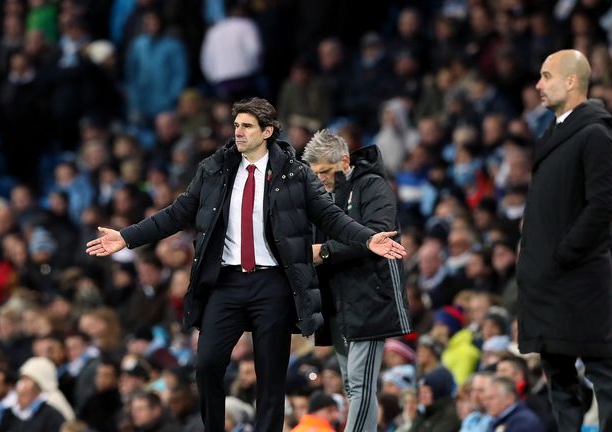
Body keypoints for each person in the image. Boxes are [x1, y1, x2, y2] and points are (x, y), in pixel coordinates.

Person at [86, 97, 406, 432]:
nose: (238, 131)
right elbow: (176, 214)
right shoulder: (213, 169)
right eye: (236, 124)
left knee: (270, 378)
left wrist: (366, 238)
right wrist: (127, 237)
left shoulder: (295, 173)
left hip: (273, 284)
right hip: (226, 282)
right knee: (207, 364)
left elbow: (330, 216)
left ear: (267, 131)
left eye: (247, 126)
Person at [516, 49, 612, 432]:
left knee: (600, 366)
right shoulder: (555, 131)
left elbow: (600, 208)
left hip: (578, 277)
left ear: (571, 80)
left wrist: (563, 254)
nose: (538, 85)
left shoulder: (594, 133)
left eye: (546, 76)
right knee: (557, 371)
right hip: (549, 278)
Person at [302, 129, 412, 432]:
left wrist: (322, 252)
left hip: (369, 296)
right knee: (353, 385)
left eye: (325, 171)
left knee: (361, 384)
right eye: (315, 173)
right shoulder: (321, 196)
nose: (321, 178)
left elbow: (380, 232)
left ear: (345, 160)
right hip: (336, 300)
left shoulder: (372, 186)